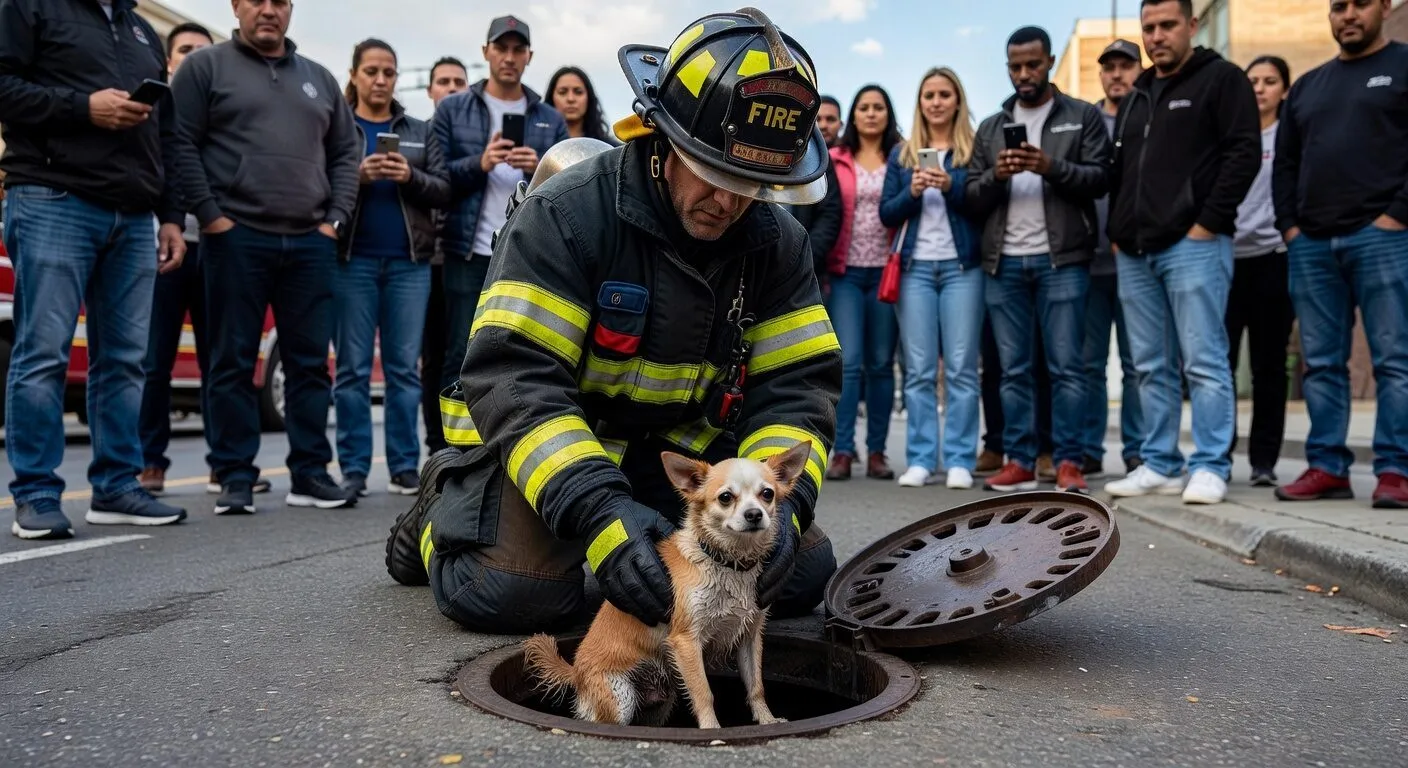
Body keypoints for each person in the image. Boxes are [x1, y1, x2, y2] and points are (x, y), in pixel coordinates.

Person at [384, 9, 841, 635]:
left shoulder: (777, 242)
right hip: (556, 449)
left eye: (755, 186)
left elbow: (796, 390)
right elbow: (517, 380)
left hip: (677, 464)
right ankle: (444, 512)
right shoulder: (568, 214)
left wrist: (785, 508)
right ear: (661, 137)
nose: (729, 203)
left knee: (798, 576)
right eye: (713, 174)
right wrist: (600, 514)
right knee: (514, 594)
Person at [1, 0, 189, 538]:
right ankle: (35, 493)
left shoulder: (142, 30)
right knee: (43, 352)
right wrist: (84, 107)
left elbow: (168, 135)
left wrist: (172, 216)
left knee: (127, 360)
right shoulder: (29, 7)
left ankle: (116, 486)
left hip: (133, 214)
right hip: (52, 196)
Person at [170, 0, 363, 514]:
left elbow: (347, 151)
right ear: (236, 6)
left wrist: (334, 219)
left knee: (308, 364)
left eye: (279, 1)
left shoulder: (318, 79)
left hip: (309, 240)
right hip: (236, 235)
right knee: (231, 359)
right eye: (255, 0)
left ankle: (309, 473)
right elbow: (179, 141)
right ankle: (234, 476)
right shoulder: (205, 67)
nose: (268, 10)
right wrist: (210, 215)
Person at [1104, 0, 1260, 505]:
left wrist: (1206, 224)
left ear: (1191, 25)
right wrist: (1118, 229)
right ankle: (1161, 463)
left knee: (1205, 360)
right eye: (1148, 27)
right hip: (1135, 251)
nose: (1156, 36)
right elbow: (1122, 171)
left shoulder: (1222, 80)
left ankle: (1211, 464)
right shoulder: (1138, 93)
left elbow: (1244, 154)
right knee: (1149, 364)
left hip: (1193, 244)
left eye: (1167, 25)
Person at [1273, 0, 1408, 508]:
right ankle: (1326, 466)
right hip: (1311, 244)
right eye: (1337, 6)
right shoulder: (1308, 85)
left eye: (1360, 4)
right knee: (1322, 364)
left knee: (1395, 360)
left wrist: (1396, 215)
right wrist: (1290, 227)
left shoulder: (1403, 65)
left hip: (1385, 237)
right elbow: (1284, 163)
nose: (1348, 14)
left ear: (1384, 8)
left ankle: (1396, 470)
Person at [967, 26, 1112, 494]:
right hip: (1003, 263)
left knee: (1068, 366)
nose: (1024, 74)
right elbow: (969, 194)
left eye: (1033, 64)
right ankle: (1020, 460)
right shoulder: (991, 126)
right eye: (1015, 66)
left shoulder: (1082, 115)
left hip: (1063, 261)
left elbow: (1100, 178)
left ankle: (1068, 461)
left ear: (1049, 62)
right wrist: (997, 175)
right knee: (1013, 370)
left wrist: (1050, 166)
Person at [333, 39, 451, 498]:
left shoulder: (420, 129)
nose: (380, 80)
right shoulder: (338, 126)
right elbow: (319, 181)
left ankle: (404, 467)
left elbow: (442, 188)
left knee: (404, 369)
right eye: (371, 71)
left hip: (409, 264)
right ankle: (354, 469)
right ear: (355, 75)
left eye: (388, 72)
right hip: (350, 260)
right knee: (352, 369)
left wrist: (409, 176)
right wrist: (355, 176)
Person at [435, 15, 569, 401]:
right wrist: (481, 163)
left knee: (521, 354)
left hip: (528, 253)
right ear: (485, 52)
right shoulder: (452, 109)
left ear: (529, 56)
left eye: (517, 49)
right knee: (458, 353)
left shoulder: (549, 117)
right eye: (501, 48)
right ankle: (447, 454)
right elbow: (435, 180)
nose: (509, 57)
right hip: (467, 250)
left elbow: (570, 184)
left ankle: (496, 451)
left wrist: (538, 166)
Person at [879, 67, 984, 490]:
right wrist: (915, 192)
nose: (936, 102)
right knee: (919, 370)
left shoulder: (973, 150)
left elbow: (986, 204)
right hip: (915, 270)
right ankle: (922, 458)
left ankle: (960, 458)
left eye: (944, 94)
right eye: (929, 95)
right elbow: (887, 212)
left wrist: (952, 185)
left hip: (963, 270)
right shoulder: (902, 154)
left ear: (957, 100)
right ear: (920, 102)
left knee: (961, 367)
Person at [823, 85, 902, 482]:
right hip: (846, 272)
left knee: (881, 366)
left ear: (888, 114)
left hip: (888, 274)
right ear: (853, 116)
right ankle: (843, 451)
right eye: (864, 108)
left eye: (879, 108)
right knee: (849, 363)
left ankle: (877, 452)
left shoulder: (901, 155)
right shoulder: (835, 158)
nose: (871, 114)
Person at [1226, 55, 1294, 488]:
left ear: (1284, 90)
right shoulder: (1231, 133)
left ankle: (1264, 462)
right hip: (1227, 260)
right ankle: (1219, 457)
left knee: (1270, 366)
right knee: (1221, 363)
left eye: (1270, 81)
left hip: (1275, 257)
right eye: (1252, 80)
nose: (1260, 88)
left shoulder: (1291, 135)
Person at [1080, 39, 1145, 479]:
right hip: (1088, 259)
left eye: (1126, 66)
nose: (1117, 74)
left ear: (1139, 70)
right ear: (1101, 74)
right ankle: (1088, 448)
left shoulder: (1147, 116)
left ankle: (1138, 450)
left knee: (1138, 361)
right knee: (1088, 363)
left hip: (1137, 259)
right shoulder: (1087, 120)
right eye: (1110, 67)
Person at [420, 56, 470, 456]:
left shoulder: (470, 124)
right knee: (437, 355)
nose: (451, 88)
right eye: (443, 81)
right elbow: (440, 184)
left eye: (459, 81)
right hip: (429, 256)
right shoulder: (422, 133)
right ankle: (438, 444)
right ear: (430, 90)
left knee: (463, 351)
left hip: (454, 255)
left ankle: (459, 446)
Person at [785, 95, 843, 286]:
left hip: (806, 268)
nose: (823, 125)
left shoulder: (819, 160)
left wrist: (804, 256)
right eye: (818, 119)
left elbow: (830, 213)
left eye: (830, 119)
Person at [545, 66, 619, 145]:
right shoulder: (537, 147)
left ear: (589, 98)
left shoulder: (611, 149)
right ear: (551, 97)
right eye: (562, 92)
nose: (571, 99)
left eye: (578, 92)